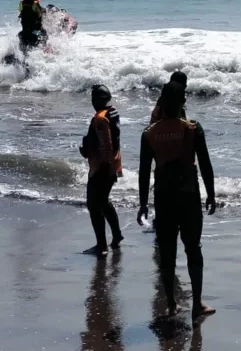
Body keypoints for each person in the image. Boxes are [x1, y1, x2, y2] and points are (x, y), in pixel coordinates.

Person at [138, 81, 217, 321]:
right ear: (183, 102)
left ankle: (172, 303)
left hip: (163, 198)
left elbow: (144, 172)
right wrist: (211, 194)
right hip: (188, 197)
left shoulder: (149, 134)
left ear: (161, 104)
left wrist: (143, 204)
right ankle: (197, 304)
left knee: (167, 251)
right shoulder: (192, 129)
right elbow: (205, 164)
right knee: (193, 248)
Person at [79, 84, 124, 255]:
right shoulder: (112, 113)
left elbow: (106, 145)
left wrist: (104, 167)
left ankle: (101, 245)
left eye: (93, 98)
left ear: (97, 100)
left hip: (102, 168)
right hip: (113, 164)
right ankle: (117, 235)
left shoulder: (100, 119)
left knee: (93, 205)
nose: (92, 102)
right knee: (103, 202)